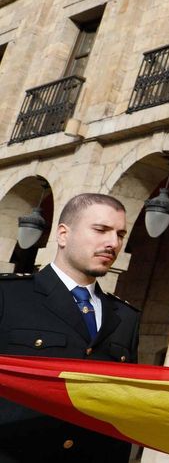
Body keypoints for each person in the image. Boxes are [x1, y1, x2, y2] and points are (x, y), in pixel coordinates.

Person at [0, 193, 141, 463]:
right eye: (101, 230)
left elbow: (123, 408)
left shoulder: (126, 316)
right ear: (63, 235)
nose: (113, 243)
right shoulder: (9, 296)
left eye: (120, 234)